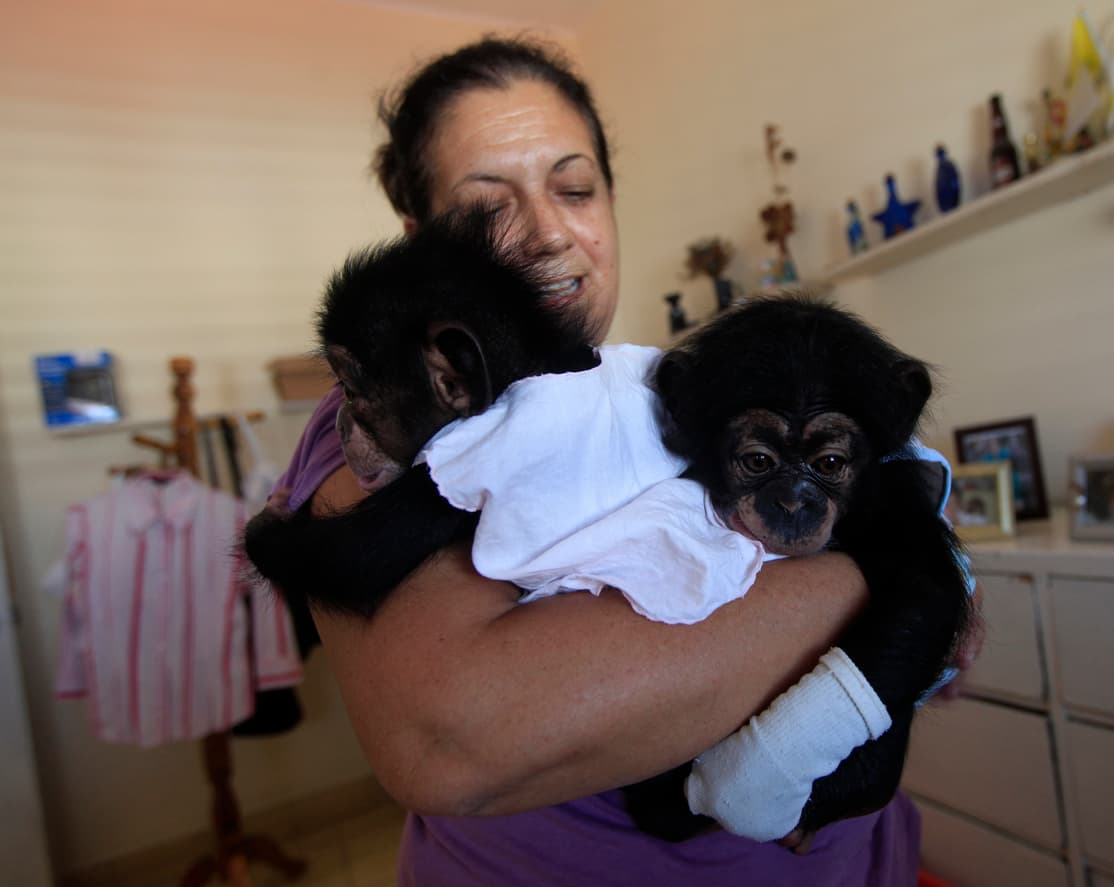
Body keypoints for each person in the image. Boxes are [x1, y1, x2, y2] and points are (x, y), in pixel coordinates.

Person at [277, 37, 978, 885]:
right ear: (421, 242)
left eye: (575, 188)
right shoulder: (392, 416)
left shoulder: (664, 387)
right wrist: (898, 588)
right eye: (483, 206)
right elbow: (451, 738)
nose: (543, 233)